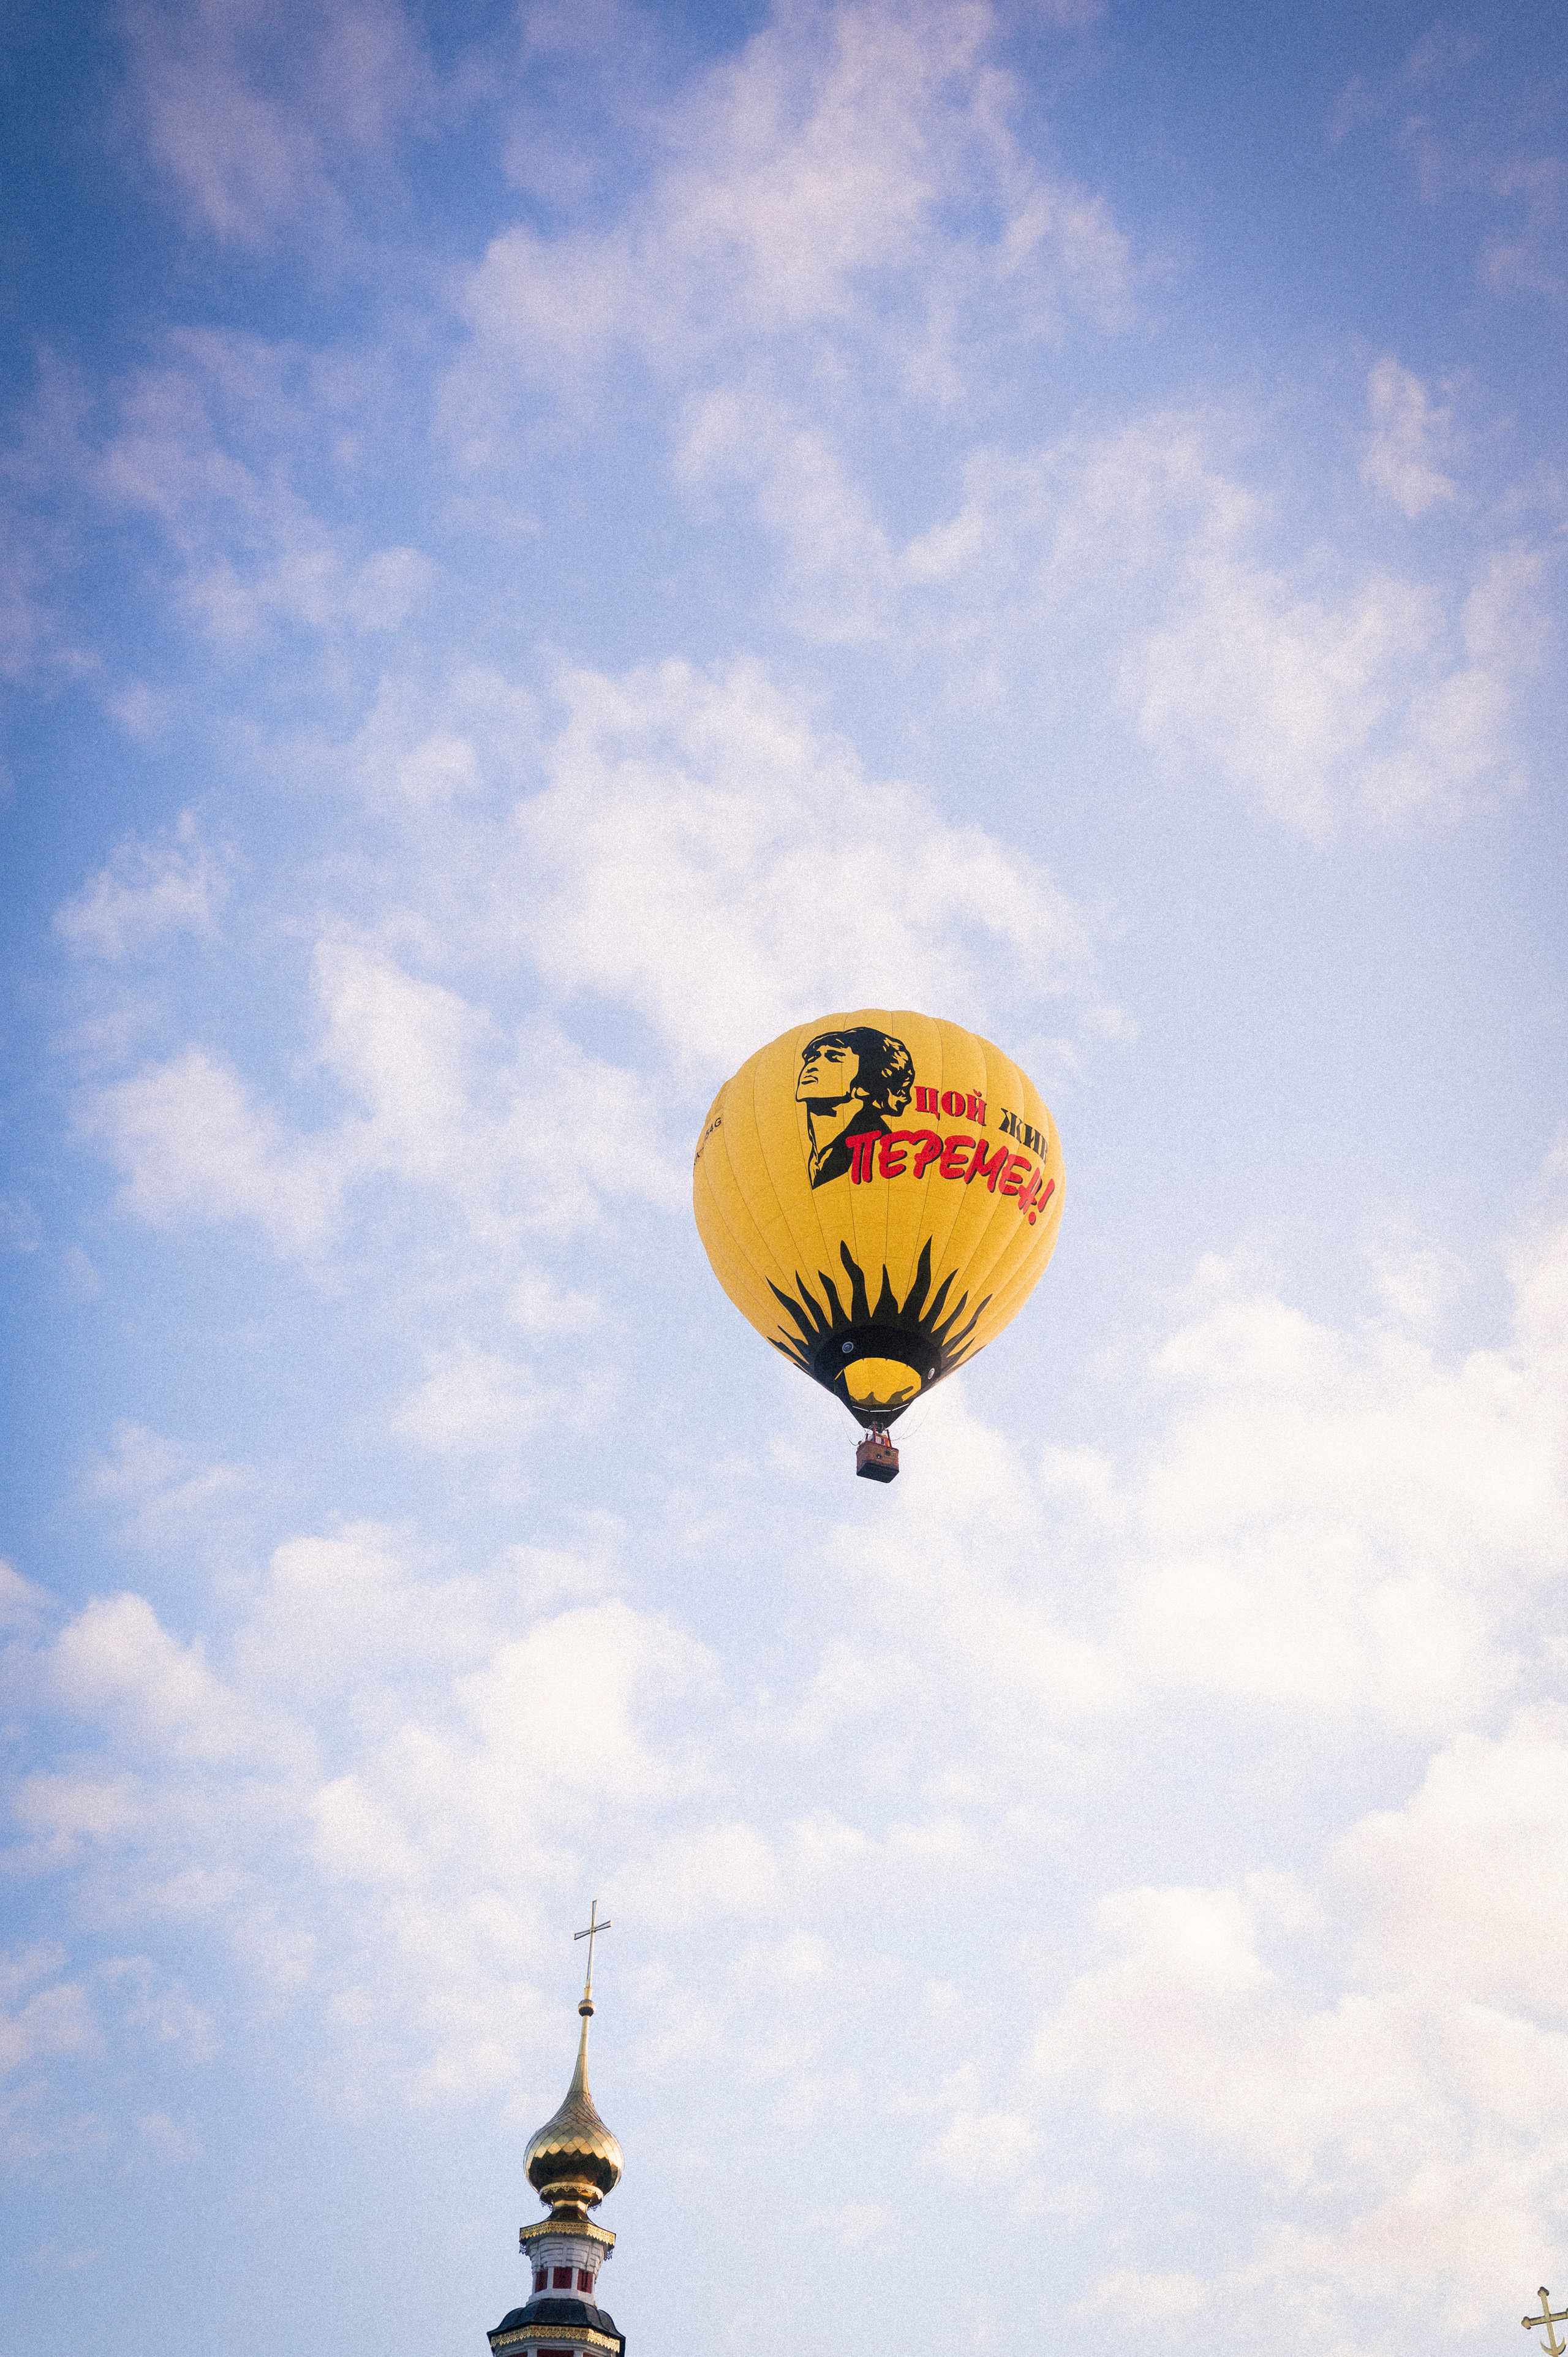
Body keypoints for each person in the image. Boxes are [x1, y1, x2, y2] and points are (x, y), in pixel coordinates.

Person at [795, 1027, 914, 1189]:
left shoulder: (882, 1149)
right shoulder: (803, 1153)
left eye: (834, 1057)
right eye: (812, 1058)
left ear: (867, 1081)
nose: (812, 1066)